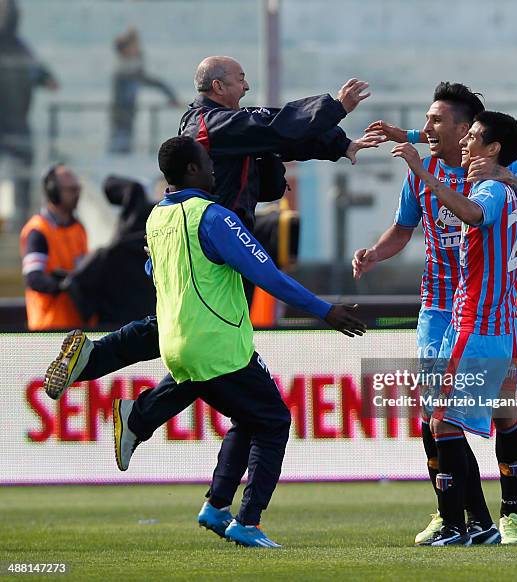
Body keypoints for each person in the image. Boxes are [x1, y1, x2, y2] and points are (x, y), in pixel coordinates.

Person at [43, 55, 376, 396]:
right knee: (219, 352)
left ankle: (107, 378)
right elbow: (272, 128)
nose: (247, 86)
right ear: (218, 86)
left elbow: (277, 137)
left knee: (188, 333)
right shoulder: (213, 124)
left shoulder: (219, 122)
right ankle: (126, 399)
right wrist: (334, 107)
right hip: (211, 242)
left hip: (198, 238)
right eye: (240, 79)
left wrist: (341, 145)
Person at [112, 135, 366, 547]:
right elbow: (267, 274)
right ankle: (247, 521)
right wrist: (325, 310)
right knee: (273, 420)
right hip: (216, 342)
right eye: (207, 163)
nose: (215, 170)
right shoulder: (214, 217)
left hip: (177, 342)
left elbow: (152, 271)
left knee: (249, 417)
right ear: (193, 170)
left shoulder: (157, 217)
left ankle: (215, 504)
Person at [354, 82, 517, 545]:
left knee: (500, 411)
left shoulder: (499, 175)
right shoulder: (427, 171)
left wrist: (509, 179)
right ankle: (458, 515)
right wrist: (375, 255)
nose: (427, 129)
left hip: (487, 310)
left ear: (467, 131)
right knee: (436, 412)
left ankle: (508, 513)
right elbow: (403, 230)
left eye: (436, 121)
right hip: (442, 307)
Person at [390, 111, 517, 545]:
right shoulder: (497, 182)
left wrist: (418, 169)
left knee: (442, 421)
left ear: (493, 148)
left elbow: (471, 213)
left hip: (478, 325)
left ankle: (465, 524)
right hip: (479, 321)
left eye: (473, 138)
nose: (464, 144)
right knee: (449, 418)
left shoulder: (494, 187)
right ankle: (477, 523)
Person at [63, 176, 157, 328]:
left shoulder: (107, 255)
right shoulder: (159, 251)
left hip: (112, 334)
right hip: (152, 333)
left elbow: (76, 285)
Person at [0, 0, 58, 230]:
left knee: (23, 175)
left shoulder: (20, 48)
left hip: (17, 123)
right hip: (9, 123)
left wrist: (46, 78)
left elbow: (39, 72)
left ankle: (22, 221)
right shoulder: (17, 48)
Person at [19, 164, 88, 330]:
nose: (77, 194)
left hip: (77, 328)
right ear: (53, 192)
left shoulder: (78, 228)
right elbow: (34, 278)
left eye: (77, 188)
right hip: (48, 327)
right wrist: (63, 285)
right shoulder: (38, 230)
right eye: (71, 190)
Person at [109, 28, 180, 154]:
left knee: (123, 145)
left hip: (127, 115)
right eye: (134, 46)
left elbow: (155, 83)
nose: (138, 50)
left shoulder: (131, 69)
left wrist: (171, 96)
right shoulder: (124, 71)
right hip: (121, 117)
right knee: (120, 145)